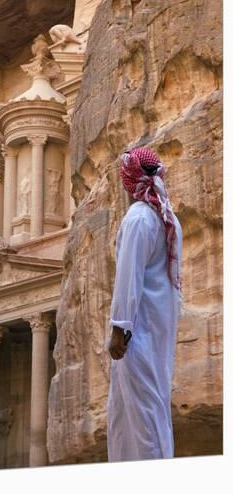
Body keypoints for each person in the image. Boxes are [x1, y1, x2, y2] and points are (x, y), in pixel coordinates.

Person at [107, 146, 183, 462]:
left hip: (137, 333)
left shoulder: (139, 218)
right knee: (129, 413)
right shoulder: (164, 216)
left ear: (130, 180)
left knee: (143, 415)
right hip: (155, 329)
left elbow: (129, 277)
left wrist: (119, 328)